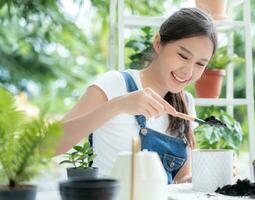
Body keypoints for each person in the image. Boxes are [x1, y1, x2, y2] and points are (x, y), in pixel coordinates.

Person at [57, 7, 217, 184]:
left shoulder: (186, 104)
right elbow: (48, 146)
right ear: (158, 43)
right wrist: (117, 106)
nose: (188, 71)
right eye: (183, 55)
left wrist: (205, 178)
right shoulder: (115, 84)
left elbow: (180, 179)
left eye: (200, 64)